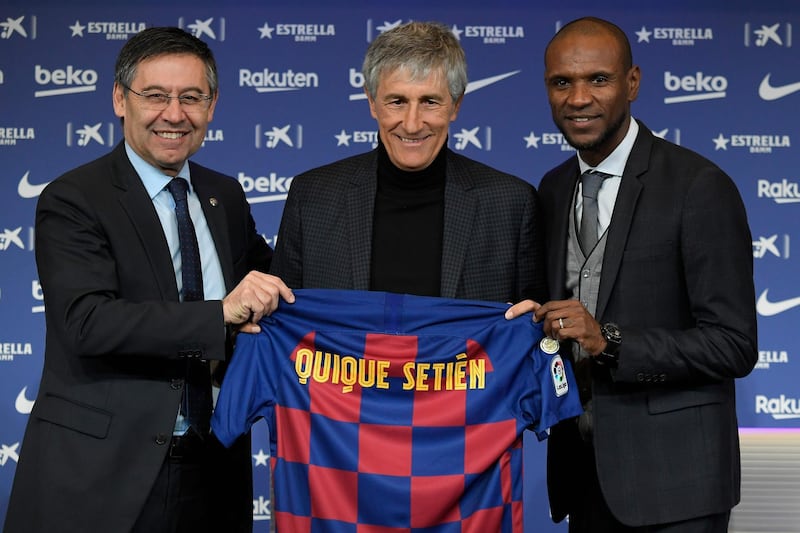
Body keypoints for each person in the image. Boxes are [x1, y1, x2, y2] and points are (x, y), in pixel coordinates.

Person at [4, 27, 293, 533]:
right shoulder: (74, 198)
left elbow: (276, 286)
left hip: (214, 469)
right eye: (155, 96)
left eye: (191, 98)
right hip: (104, 476)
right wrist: (219, 313)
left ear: (213, 104)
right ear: (120, 98)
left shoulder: (223, 195)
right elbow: (87, 322)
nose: (174, 114)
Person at [505, 17, 758, 532]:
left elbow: (733, 344)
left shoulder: (698, 186)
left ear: (633, 83)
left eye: (598, 79)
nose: (578, 98)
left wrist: (610, 340)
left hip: (678, 484)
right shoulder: (552, 189)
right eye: (562, 83)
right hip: (583, 478)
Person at [269, 21, 545, 304]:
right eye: (397, 102)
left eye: (430, 102)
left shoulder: (512, 205)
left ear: (456, 105)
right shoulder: (312, 197)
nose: (412, 124)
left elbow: (533, 330)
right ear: (372, 102)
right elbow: (282, 325)